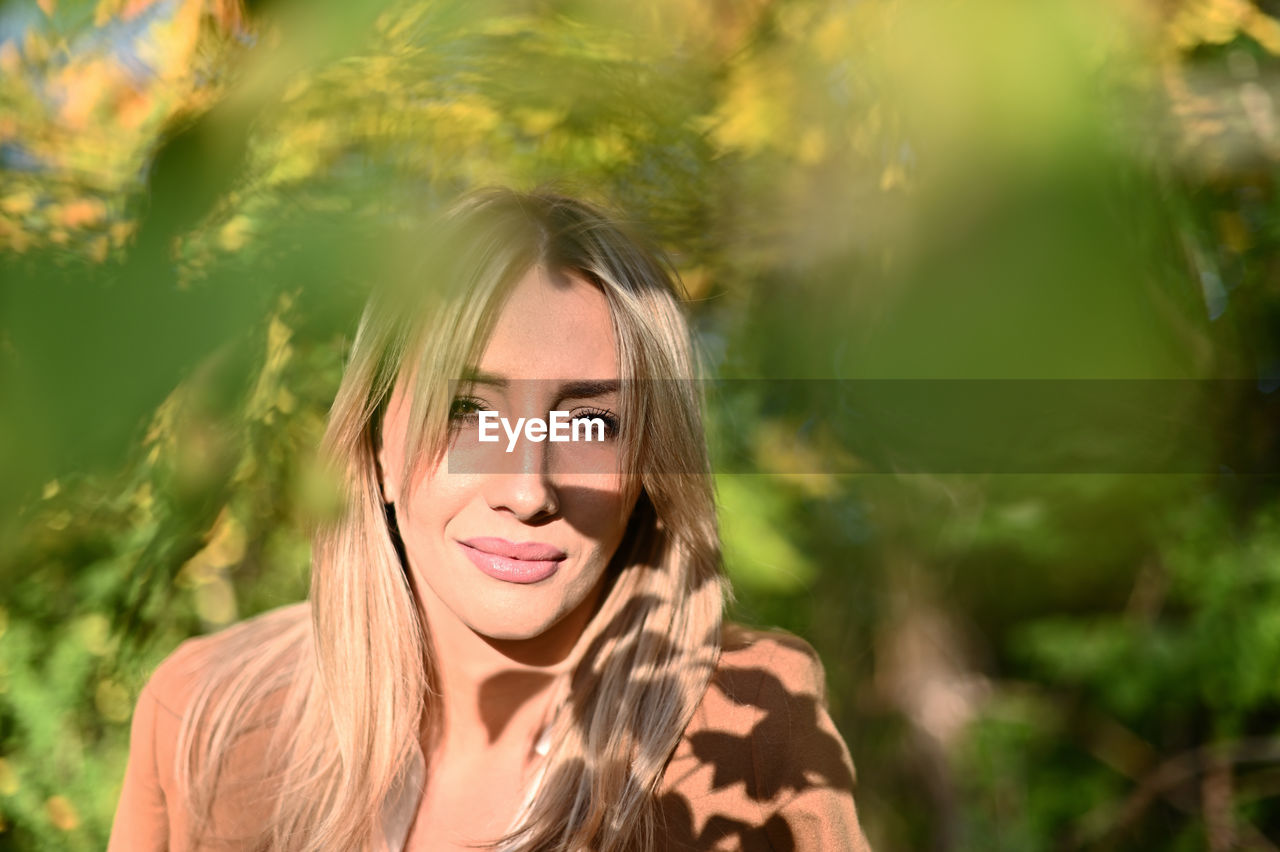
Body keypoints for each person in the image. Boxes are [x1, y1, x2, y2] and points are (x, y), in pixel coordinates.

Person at [108, 188, 871, 851]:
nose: (527, 490)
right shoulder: (204, 713)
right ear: (375, 440)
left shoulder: (752, 723)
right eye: (470, 410)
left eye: (588, 423)